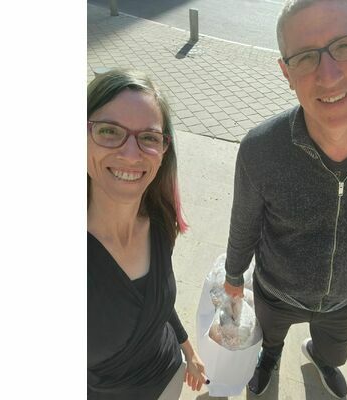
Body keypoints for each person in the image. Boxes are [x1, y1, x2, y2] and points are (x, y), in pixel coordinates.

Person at [223, 0, 347, 398]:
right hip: (275, 292)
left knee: (334, 353)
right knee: (269, 340)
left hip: (343, 301)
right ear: (287, 73)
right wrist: (233, 276)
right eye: (305, 57)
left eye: (344, 46)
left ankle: (322, 358)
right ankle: (270, 357)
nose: (328, 76)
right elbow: (244, 222)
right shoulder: (260, 148)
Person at [87, 69, 208, 399]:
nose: (131, 154)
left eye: (149, 138)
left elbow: (157, 305)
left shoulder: (159, 222)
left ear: (164, 150)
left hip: (169, 379)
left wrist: (189, 351)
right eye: (109, 131)